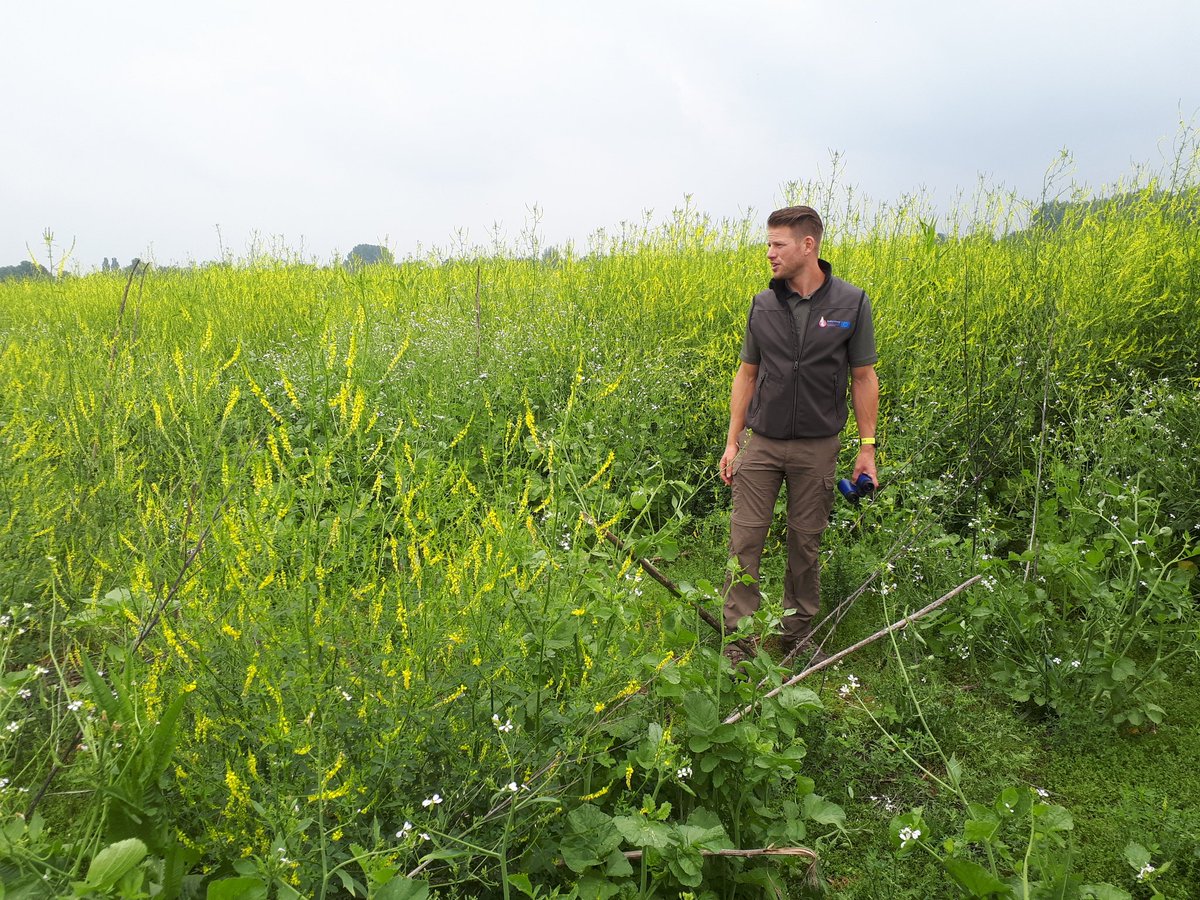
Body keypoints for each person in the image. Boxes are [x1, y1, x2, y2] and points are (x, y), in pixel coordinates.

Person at [718, 205, 879, 666]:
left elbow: (864, 377)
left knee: (805, 541)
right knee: (744, 541)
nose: (769, 253)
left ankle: (797, 635)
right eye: (768, 244)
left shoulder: (851, 302)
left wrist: (867, 449)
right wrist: (733, 442)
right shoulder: (763, 304)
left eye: (777, 244)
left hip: (817, 446)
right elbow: (746, 375)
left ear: (808, 246)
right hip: (761, 443)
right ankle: (739, 641)